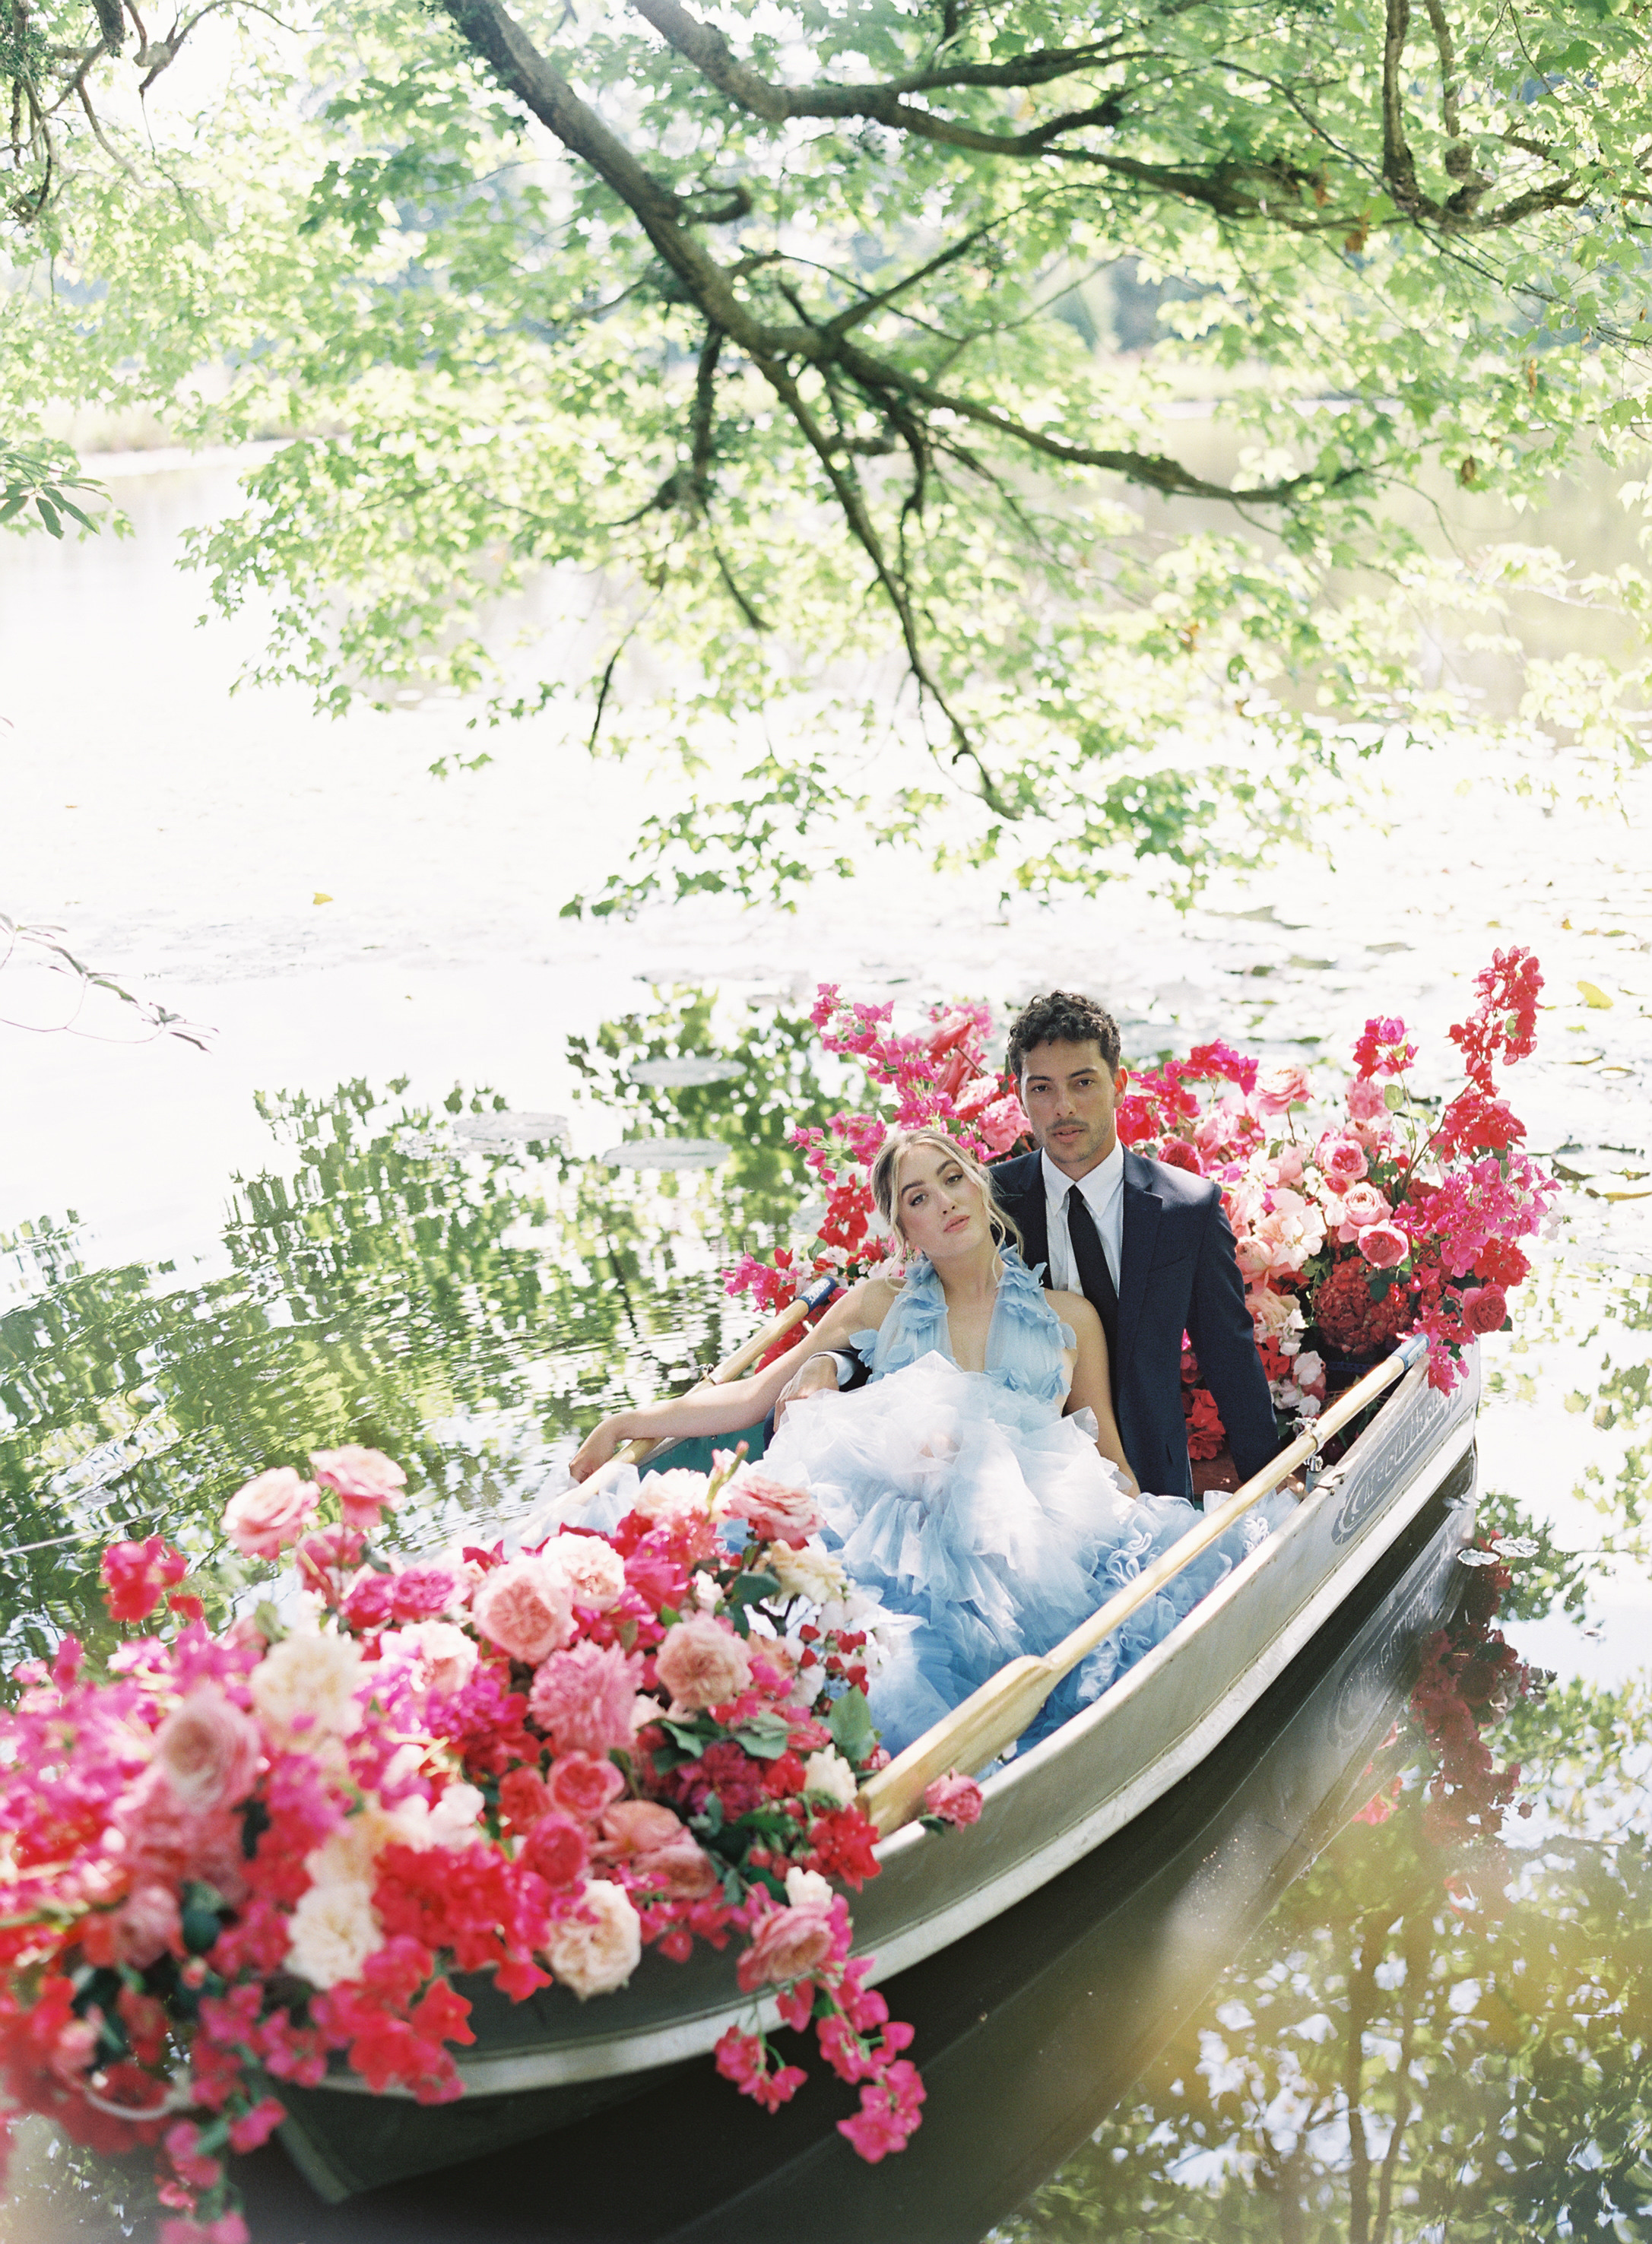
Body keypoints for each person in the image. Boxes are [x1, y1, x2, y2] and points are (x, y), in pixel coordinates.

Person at [568, 1129, 1281, 1759]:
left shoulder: (1069, 1316)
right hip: (901, 1541)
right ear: (903, 1228)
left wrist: (1122, 1533)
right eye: (917, 1197)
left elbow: (1110, 1462)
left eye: (952, 1178)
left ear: (981, 1186)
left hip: (1034, 1551)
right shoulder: (878, 1305)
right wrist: (626, 1423)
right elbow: (754, 1396)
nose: (944, 1201)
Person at [779, 989, 1279, 1501]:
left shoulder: (1187, 1210)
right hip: (1010, 1492)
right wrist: (834, 1362)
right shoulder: (983, 1200)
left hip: (1149, 1483)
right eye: (1041, 1088)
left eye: (1083, 1082)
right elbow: (921, 1318)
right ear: (1020, 1099)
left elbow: (1230, 1361)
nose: (1063, 1107)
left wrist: (1276, 1488)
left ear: (1118, 1086)